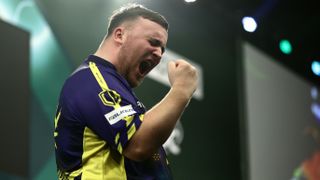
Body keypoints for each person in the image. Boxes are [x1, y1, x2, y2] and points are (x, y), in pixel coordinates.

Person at [53, 3, 198, 180]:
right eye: (153, 42)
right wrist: (182, 89)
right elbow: (138, 145)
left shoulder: (112, 86)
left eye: (162, 49)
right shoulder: (90, 79)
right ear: (120, 35)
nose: (160, 54)